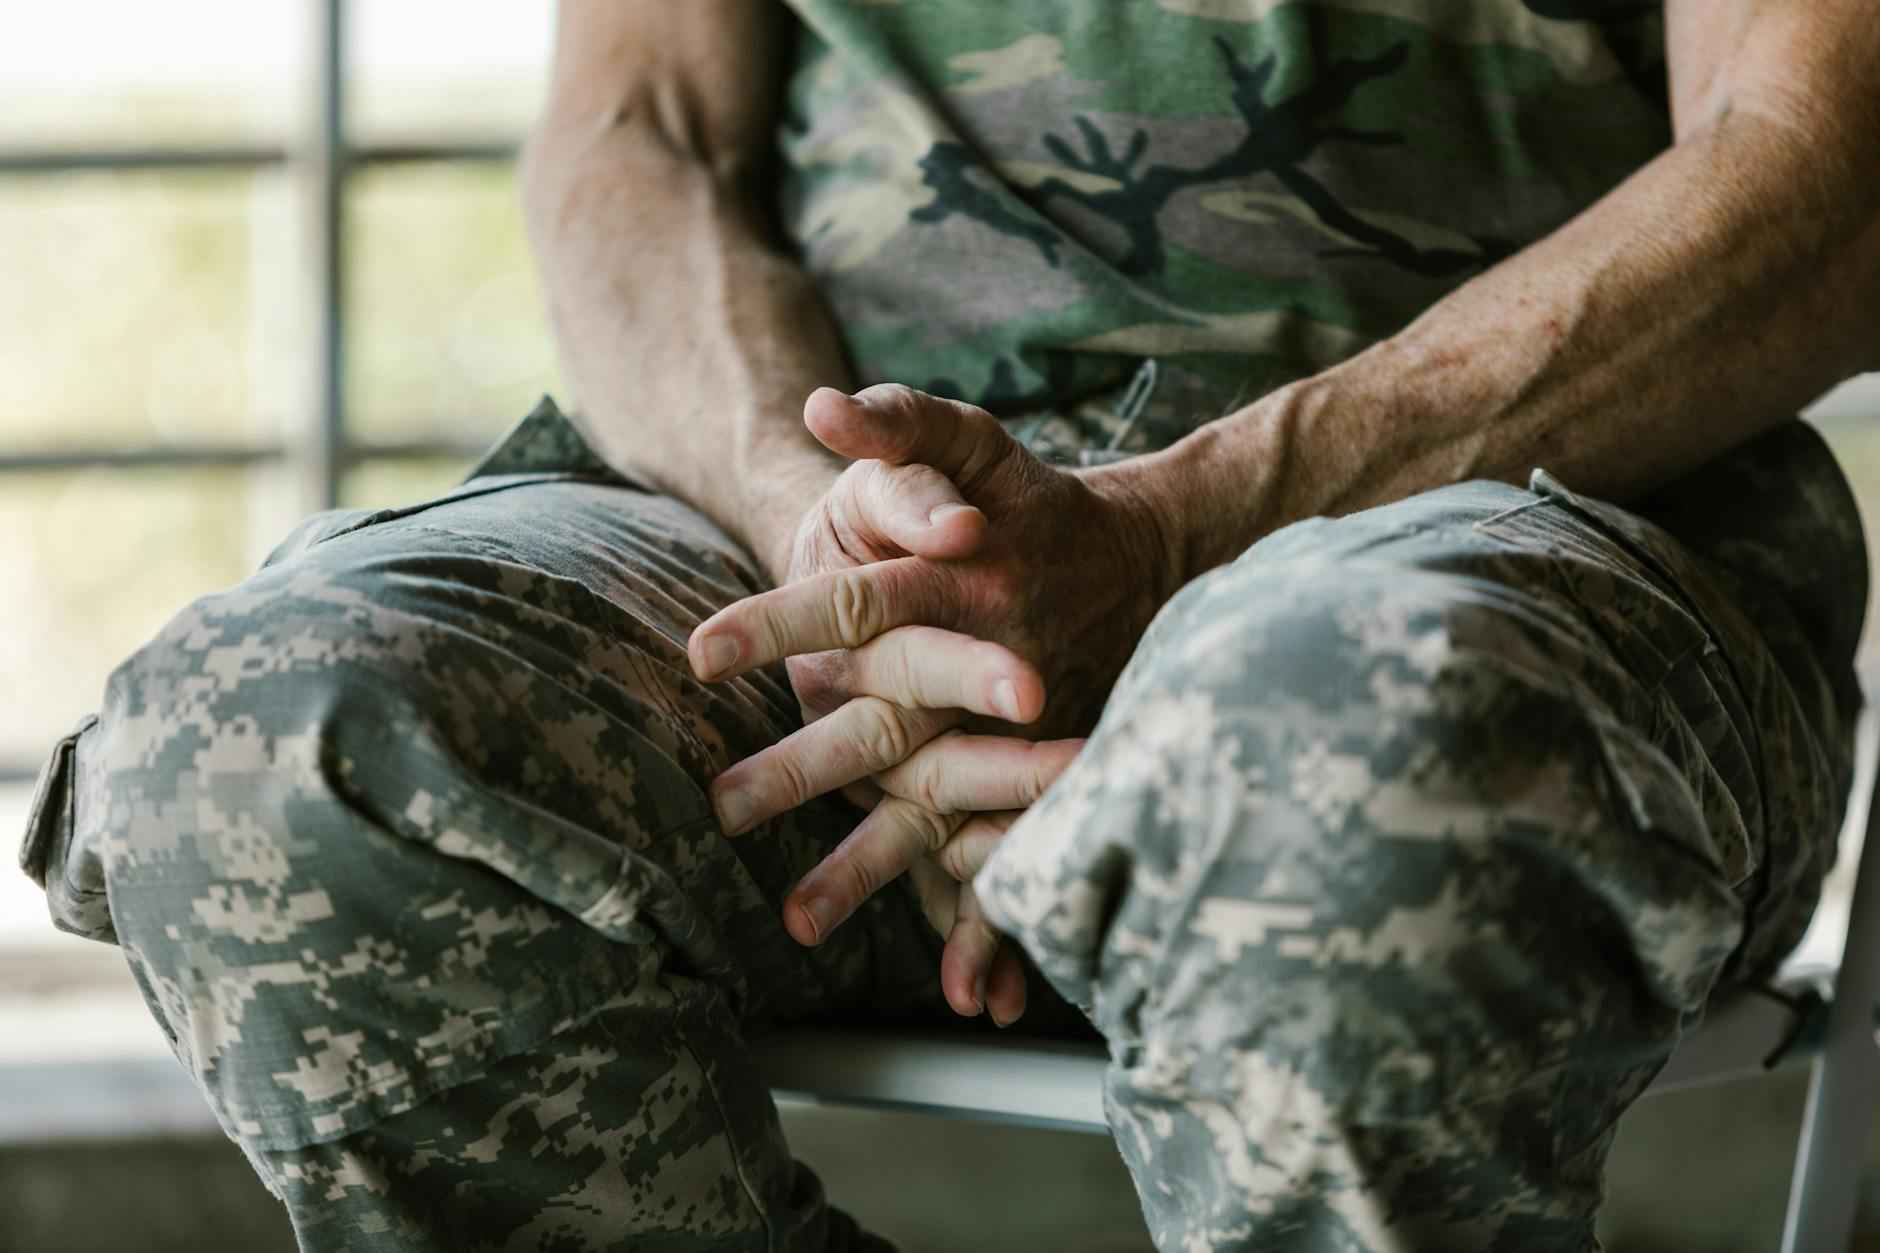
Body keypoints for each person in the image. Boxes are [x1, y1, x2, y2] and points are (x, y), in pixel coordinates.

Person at [19, 0, 1880, 1248]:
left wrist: (1172, 535)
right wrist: (839, 565)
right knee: (268, 741)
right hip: (800, 512)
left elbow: (1828, 156)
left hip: (1485, 533)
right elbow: (636, 132)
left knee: (1346, 747)